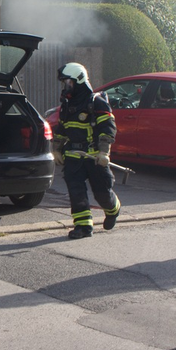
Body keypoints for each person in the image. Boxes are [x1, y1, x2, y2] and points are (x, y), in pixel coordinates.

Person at [52, 62, 121, 240]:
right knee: (77, 193)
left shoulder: (96, 103)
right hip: (73, 157)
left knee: (102, 193)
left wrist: (104, 152)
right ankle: (83, 227)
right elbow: (62, 129)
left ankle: (113, 209)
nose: (66, 87)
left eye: (68, 82)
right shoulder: (67, 105)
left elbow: (107, 129)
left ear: (79, 81)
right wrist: (56, 150)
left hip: (95, 157)